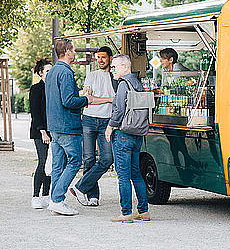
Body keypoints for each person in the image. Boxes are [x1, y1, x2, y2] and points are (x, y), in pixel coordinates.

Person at [44, 39, 95, 216]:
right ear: (67, 51)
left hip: (55, 125)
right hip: (68, 126)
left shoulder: (51, 72)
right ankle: (58, 199)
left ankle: (54, 200)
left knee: (58, 165)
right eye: (73, 50)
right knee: (74, 162)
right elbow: (68, 101)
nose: (75, 53)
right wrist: (86, 99)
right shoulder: (65, 73)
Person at [105, 54, 150, 223]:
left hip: (123, 134)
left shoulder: (124, 84)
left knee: (123, 176)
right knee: (136, 174)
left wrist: (110, 127)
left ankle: (126, 213)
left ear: (125, 67)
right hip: (137, 134)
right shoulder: (138, 84)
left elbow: (118, 110)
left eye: (115, 67)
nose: (112, 70)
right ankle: (143, 211)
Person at [70, 46, 116, 207]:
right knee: (88, 159)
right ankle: (92, 195)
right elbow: (87, 98)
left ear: (110, 58)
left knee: (107, 159)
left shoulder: (115, 77)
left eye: (103, 57)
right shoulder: (91, 75)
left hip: (107, 121)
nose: (100, 60)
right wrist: (110, 99)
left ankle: (80, 187)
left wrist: (99, 99)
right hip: (89, 120)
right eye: (98, 57)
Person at [29, 58, 52, 209]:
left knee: (51, 164)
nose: (51, 74)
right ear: (40, 73)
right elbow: (35, 113)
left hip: (54, 130)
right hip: (40, 132)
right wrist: (43, 132)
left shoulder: (54, 88)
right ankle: (36, 196)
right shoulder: (36, 89)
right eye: (48, 71)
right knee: (42, 162)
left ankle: (46, 195)